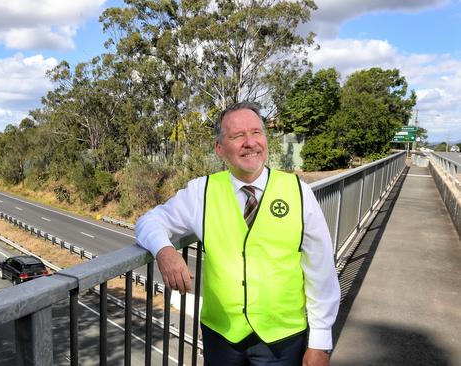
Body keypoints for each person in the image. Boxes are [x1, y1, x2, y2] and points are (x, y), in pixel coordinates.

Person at [135, 101, 340, 366]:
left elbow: (321, 270)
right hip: (222, 339)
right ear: (220, 148)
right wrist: (164, 250)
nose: (249, 142)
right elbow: (148, 221)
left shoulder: (300, 193)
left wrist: (320, 343)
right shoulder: (201, 192)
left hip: (283, 341)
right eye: (237, 135)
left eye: (256, 132)